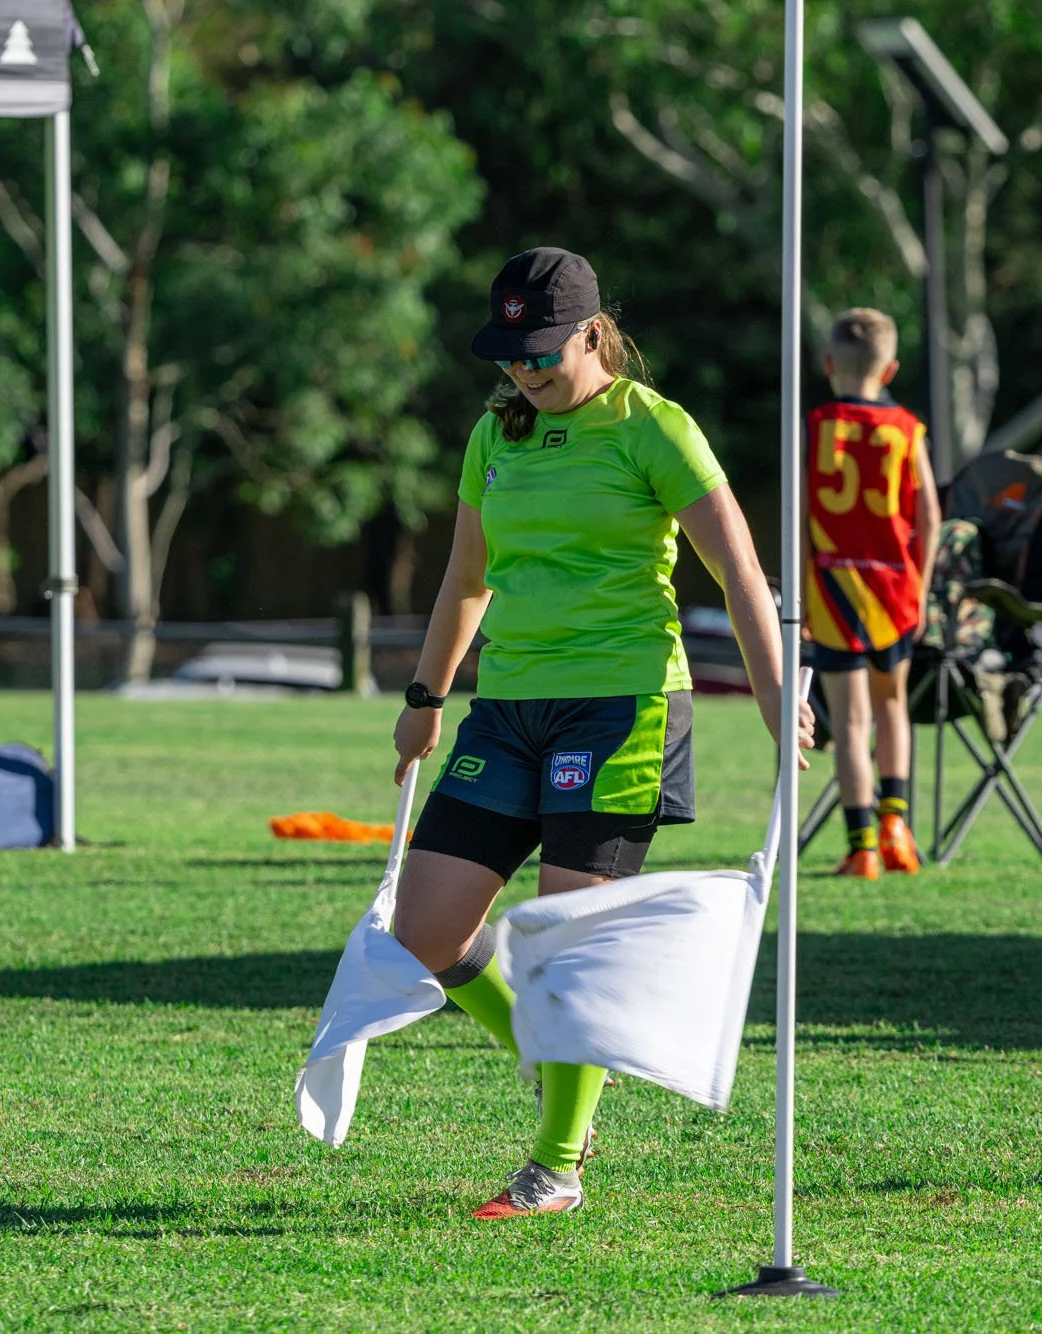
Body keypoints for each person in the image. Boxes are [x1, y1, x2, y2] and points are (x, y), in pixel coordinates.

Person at [389, 246, 813, 1219]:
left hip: (621, 706)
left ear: (592, 332)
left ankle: (556, 1164)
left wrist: (770, 694)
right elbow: (465, 579)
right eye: (509, 356)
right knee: (425, 928)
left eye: (540, 352)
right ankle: (556, 1059)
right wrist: (424, 695)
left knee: (567, 945)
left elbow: (739, 575)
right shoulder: (493, 434)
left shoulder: (653, 427)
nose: (523, 371)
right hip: (508, 706)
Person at [804, 308, 940, 879]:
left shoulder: (815, 425)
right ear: (890, 370)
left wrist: (801, 595)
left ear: (828, 363)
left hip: (834, 591)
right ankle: (896, 827)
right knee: (892, 708)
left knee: (850, 725)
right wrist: (922, 589)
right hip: (895, 592)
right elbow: (929, 517)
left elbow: (800, 515)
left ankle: (861, 848)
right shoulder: (906, 428)